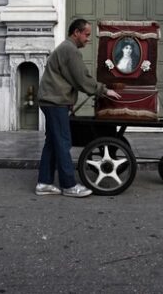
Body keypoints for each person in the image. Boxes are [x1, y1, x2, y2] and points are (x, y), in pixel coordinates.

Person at [36, 18, 121, 197]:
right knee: (63, 142)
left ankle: (44, 183)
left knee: (52, 143)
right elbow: (82, 78)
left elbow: (72, 79)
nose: (88, 39)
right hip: (55, 102)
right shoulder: (70, 50)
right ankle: (69, 186)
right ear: (76, 33)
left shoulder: (66, 48)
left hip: (51, 101)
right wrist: (104, 91)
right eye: (86, 34)